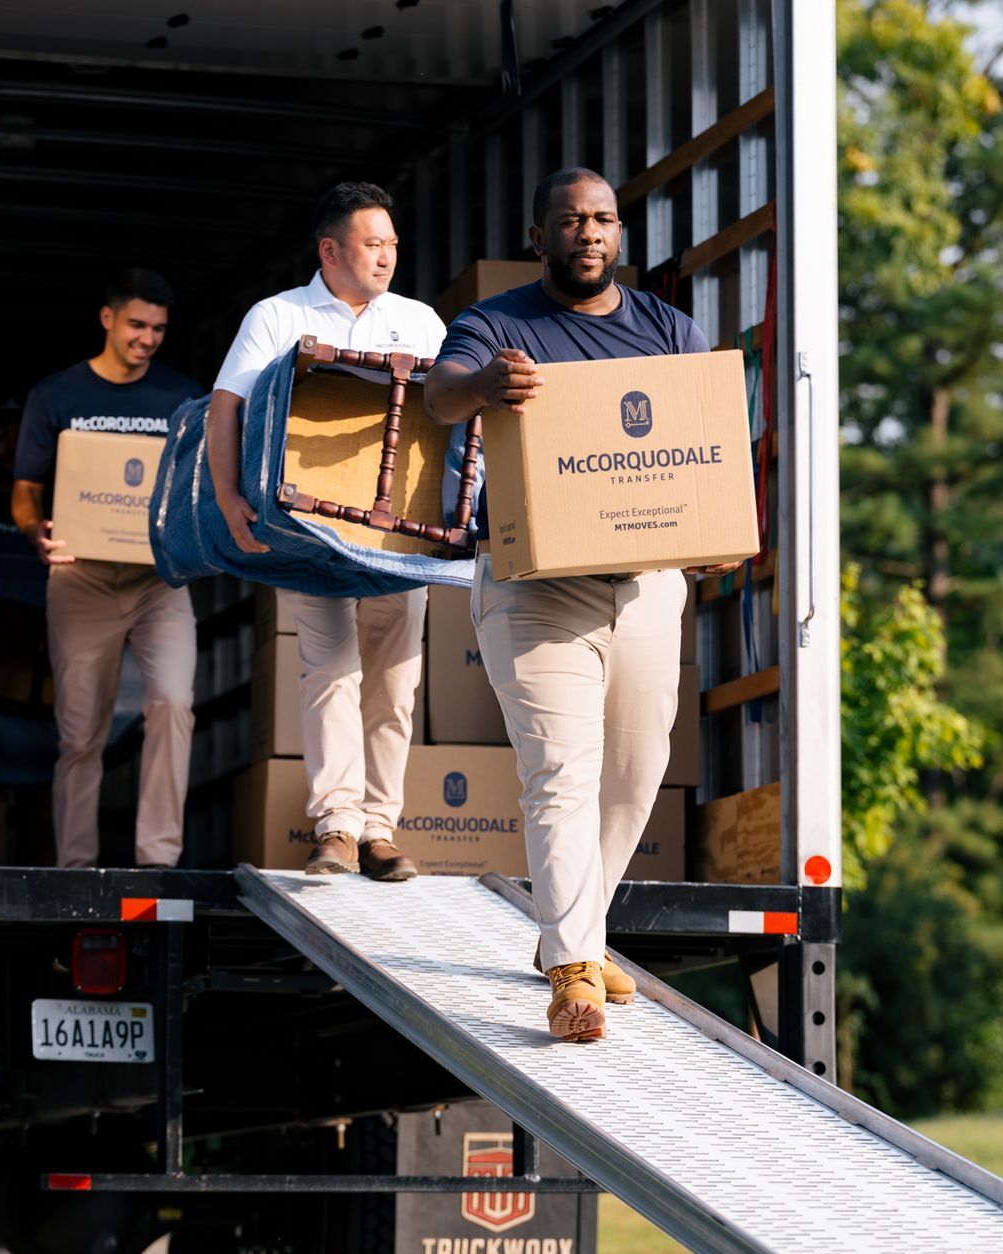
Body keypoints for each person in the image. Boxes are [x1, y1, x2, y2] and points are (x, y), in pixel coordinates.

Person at [424, 167, 740, 1042]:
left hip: (643, 587)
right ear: (541, 237)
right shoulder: (499, 328)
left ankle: (578, 929)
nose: (588, 233)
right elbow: (435, 395)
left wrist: (711, 529)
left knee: (636, 774)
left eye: (602, 219)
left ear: (619, 234)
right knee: (561, 769)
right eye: (570, 220)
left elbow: (700, 447)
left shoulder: (668, 330)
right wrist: (486, 385)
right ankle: (571, 973)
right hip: (534, 591)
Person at [207, 182, 447, 882]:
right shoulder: (278, 316)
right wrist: (227, 500)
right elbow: (227, 408)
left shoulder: (420, 321)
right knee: (330, 670)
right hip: (308, 533)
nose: (386, 259)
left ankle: (380, 830)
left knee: (397, 685)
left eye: (393, 246)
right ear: (330, 250)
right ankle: (337, 828)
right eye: (373, 245)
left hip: (400, 537)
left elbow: (455, 419)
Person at [12, 268, 203, 869]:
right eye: (137, 325)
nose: (147, 339)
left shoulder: (182, 398)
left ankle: (158, 859)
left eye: (159, 330)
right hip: (82, 577)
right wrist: (33, 529)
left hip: (158, 580)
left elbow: (202, 484)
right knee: (79, 735)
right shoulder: (58, 395)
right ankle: (75, 866)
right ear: (108, 319)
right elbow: (25, 488)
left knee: (173, 702)